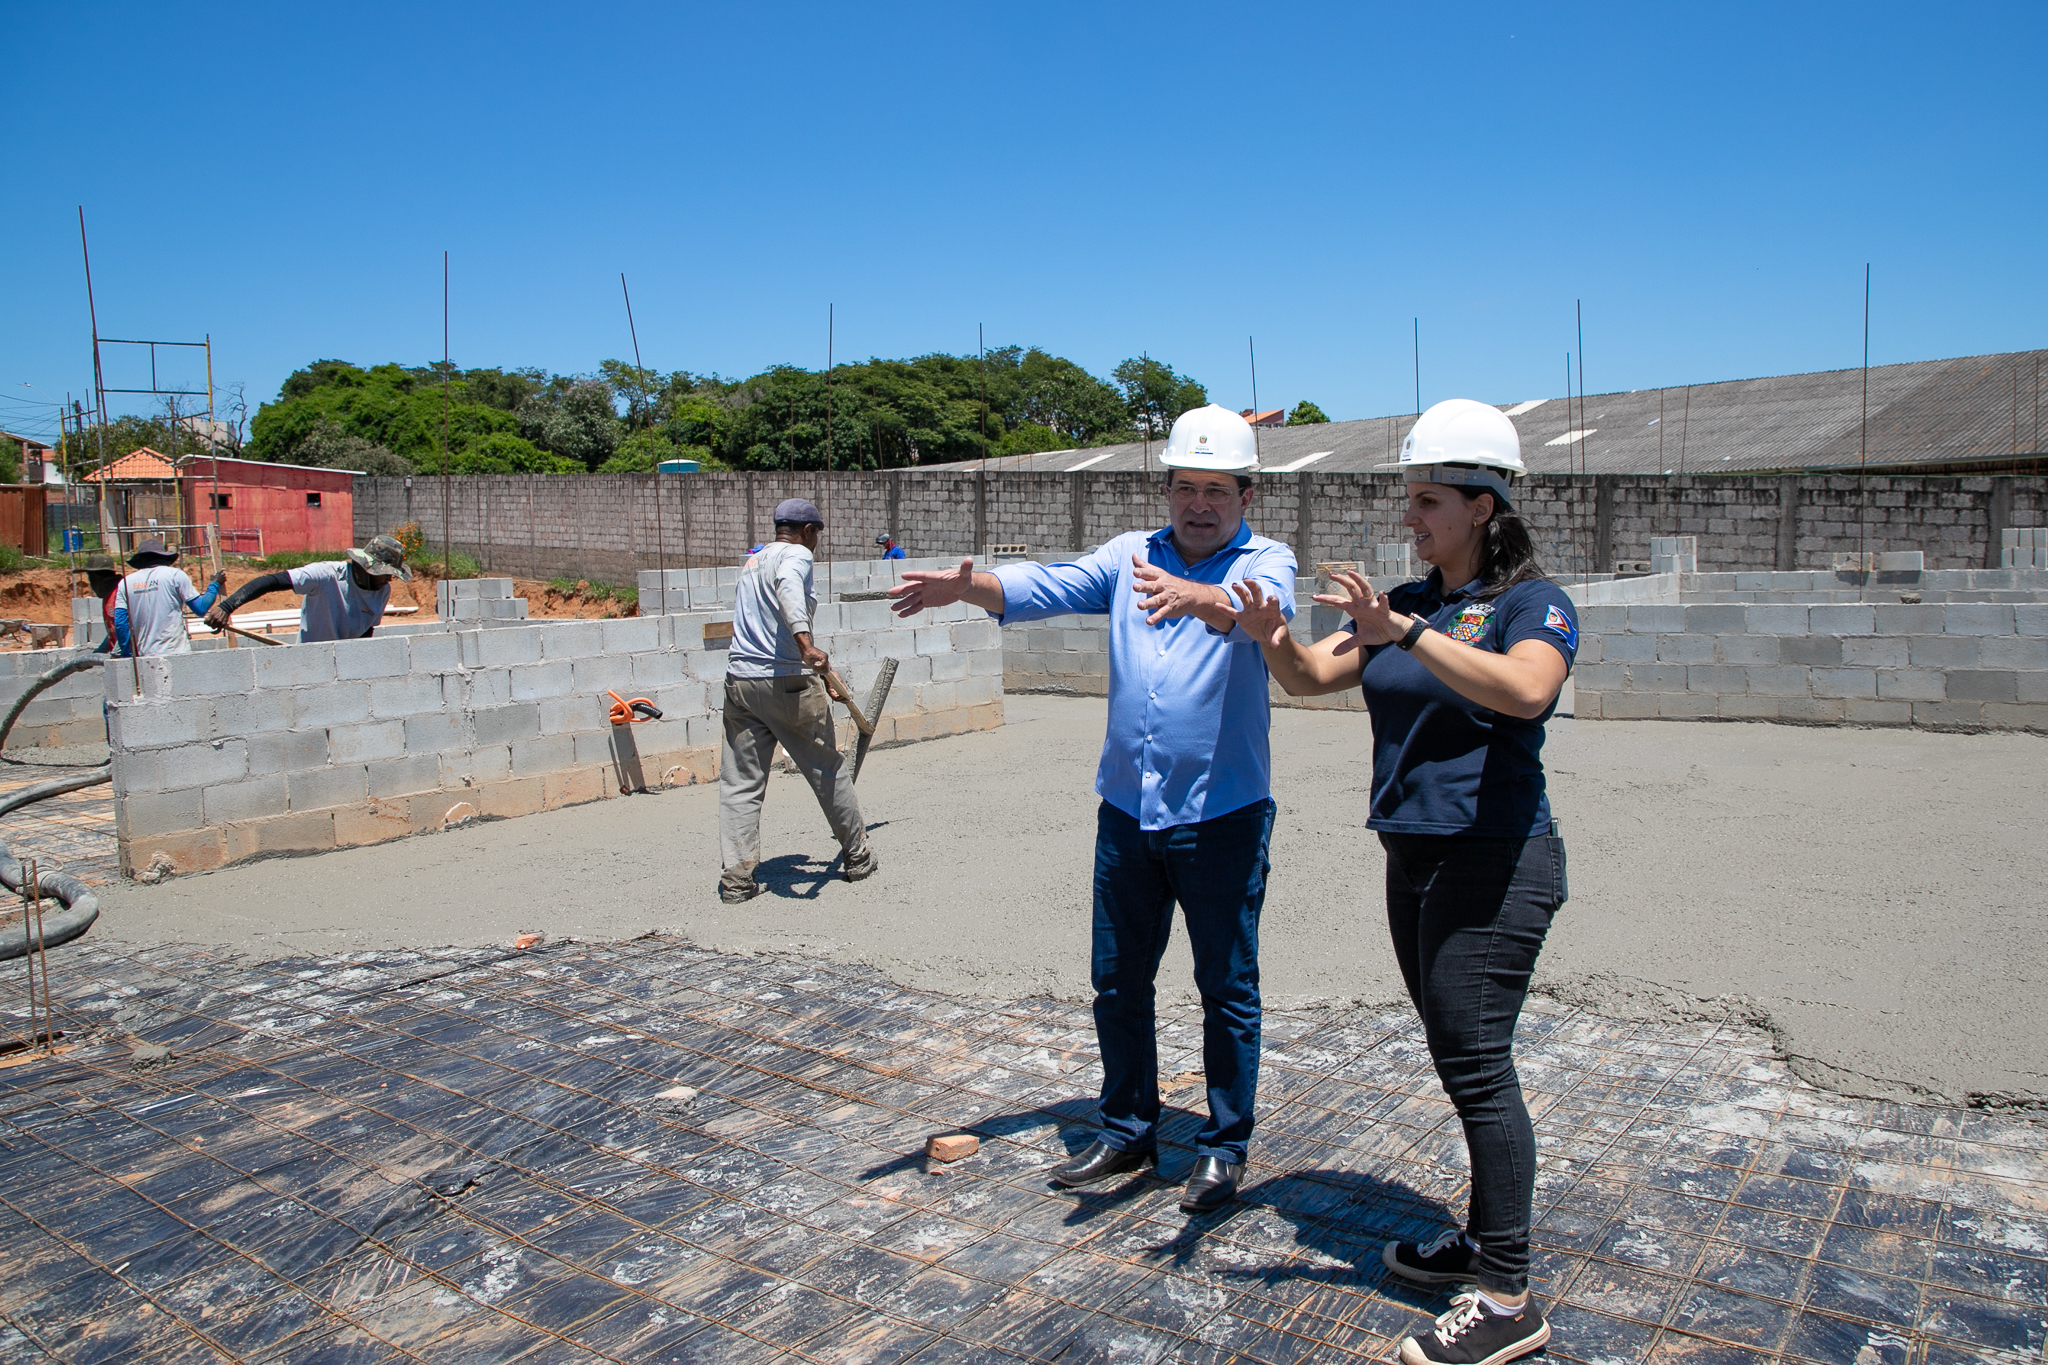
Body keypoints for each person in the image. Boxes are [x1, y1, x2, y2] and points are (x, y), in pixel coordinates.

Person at [1218, 399, 1574, 1365]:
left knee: (1476, 1059)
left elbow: (1528, 689)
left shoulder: (1530, 604)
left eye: (1427, 501)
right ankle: (1483, 1236)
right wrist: (1269, 636)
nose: (1411, 518)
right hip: (1413, 855)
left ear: (1484, 507)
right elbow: (1308, 676)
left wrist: (1403, 633)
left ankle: (1507, 1295)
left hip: (1496, 858)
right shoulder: (1407, 603)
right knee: (1459, 1051)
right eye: (1410, 499)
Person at [890, 404, 1294, 1214]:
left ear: (1247, 497)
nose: (1199, 504)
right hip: (1128, 812)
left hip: (1222, 816)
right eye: (1185, 486)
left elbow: (1259, 615)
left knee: (1227, 985)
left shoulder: (1267, 558)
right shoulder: (1128, 556)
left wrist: (1197, 595)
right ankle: (1128, 1127)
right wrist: (969, 587)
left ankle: (1222, 1147)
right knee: (1117, 980)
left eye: (1217, 489)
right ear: (1168, 489)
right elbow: (1044, 584)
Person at [718, 498, 878, 902]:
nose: (817, 543)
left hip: (740, 684)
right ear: (807, 531)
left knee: (741, 784)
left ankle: (737, 881)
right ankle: (857, 857)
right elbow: (790, 589)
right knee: (827, 769)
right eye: (818, 535)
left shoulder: (753, 562)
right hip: (784, 681)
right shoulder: (796, 556)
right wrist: (807, 647)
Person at [203, 535, 411, 642]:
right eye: (387, 574)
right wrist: (227, 607)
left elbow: (367, 631)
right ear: (368, 569)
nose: (390, 580)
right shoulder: (326, 575)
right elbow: (271, 581)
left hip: (346, 666)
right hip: (311, 660)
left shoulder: (383, 591)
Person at [113, 538, 225, 658]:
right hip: (176, 654)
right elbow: (201, 608)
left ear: (140, 560)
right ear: (163, 557)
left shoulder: (125, 583)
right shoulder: (174, 575)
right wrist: (214, 585)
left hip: (145, 657)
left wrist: (126, 654)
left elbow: (120, 623)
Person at [82, 554, 122, 654]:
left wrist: (118, 652)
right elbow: (113, 632)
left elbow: (127, 628)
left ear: (98, 577)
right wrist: (99, 652)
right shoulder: (108, 596)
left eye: (91, 579)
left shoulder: (120, 593)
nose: (91, 585)